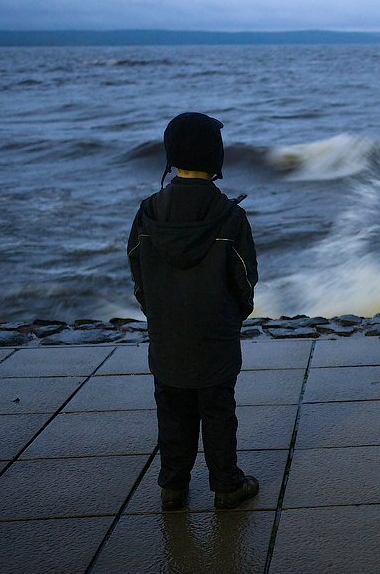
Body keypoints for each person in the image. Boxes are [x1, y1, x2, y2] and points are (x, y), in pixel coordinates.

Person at [127, 112, 259, 510]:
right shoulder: (229, 216)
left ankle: (173, 487)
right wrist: (234, 317)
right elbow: (244, 279)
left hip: (167, 336)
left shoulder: (148, 212)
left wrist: (159, 314)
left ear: (171, 157)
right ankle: (226, 485)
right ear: (215, 158)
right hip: (215, 336)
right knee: (218, 411)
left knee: (172, 411)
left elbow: (138, 275)